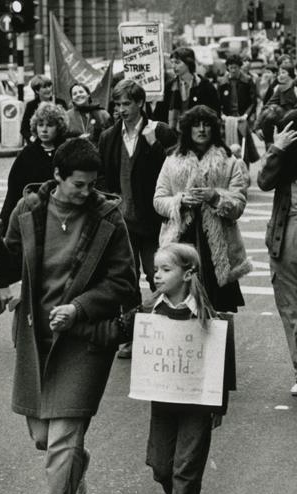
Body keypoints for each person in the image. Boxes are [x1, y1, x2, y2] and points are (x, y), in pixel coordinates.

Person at [0, 138, 139, 494]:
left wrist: (79, 308)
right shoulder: (29, 210)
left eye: (91, 184)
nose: (87, 192)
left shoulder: (108, 217)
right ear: (56, 178)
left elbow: (124, 283)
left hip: (85, 338)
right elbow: (8, 260)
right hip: (37, 336)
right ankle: (75, 466)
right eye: (78, 185)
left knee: (63, 434)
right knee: (42, 435)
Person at [141, 242, 234, 494]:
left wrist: (219, 405)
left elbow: (223, 360)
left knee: (186, 470)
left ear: (188, 273)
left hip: (197, 403)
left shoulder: (208, 313)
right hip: (164, 401)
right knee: (162, 466)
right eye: (156, 269)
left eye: (166, 270)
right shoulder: (150, 310)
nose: (157, 275)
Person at [97, 79, 177, 358]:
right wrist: (109, 200)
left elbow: (174, 169)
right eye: (117, 104)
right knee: (127, 280)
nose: (121, 109)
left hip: (153, 219)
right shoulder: (108, 136)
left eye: (126, 104)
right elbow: (102, 173)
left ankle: (167, 330)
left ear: (141, 103)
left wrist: (155, 143)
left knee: (160, 276)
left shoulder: (160, 131)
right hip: (121, 220)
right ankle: (133, 335)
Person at [153, 105, 252, 314]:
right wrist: (180, 201)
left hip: (218, 248)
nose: (201, 130)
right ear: (187, 129)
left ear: (214, 129)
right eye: (196, 125)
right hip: (180, 241)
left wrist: (215, 197)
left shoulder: (230, 161)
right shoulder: (172, 161)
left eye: (206, 125)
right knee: (179, 307)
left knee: (217, 313)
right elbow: (159, 200)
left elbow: (239, 206)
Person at [0, 102, 68, 284]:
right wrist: (3, 222)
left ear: (58, 127)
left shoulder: (66, 151)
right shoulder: (27, 154)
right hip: (34, 220)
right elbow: (14, 191)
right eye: (40, 124)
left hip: (63, 219)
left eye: (49, 125)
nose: (44, 129)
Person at [256, 109, 297, 395]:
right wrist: (276, 149)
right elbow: (263, 181)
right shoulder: (289, 129)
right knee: (291, 308)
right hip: (287, 234)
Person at [162, 47, 220, 130]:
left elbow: (214, 112)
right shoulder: (169, 86)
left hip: (198, 131)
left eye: (177, 63)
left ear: (188, 63)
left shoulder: (205, 86)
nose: (174, 66)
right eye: (172, 63)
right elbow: (160, 113)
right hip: (174, 133)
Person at [21, 75, 68, 143]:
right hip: (37, 143)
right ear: (37, 91)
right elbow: (24, 129)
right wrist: (32, 138)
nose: (48, 89)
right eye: (44, 87)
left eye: (49, 86)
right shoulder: (31, 105)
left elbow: (65, 125)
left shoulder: (60, 103)